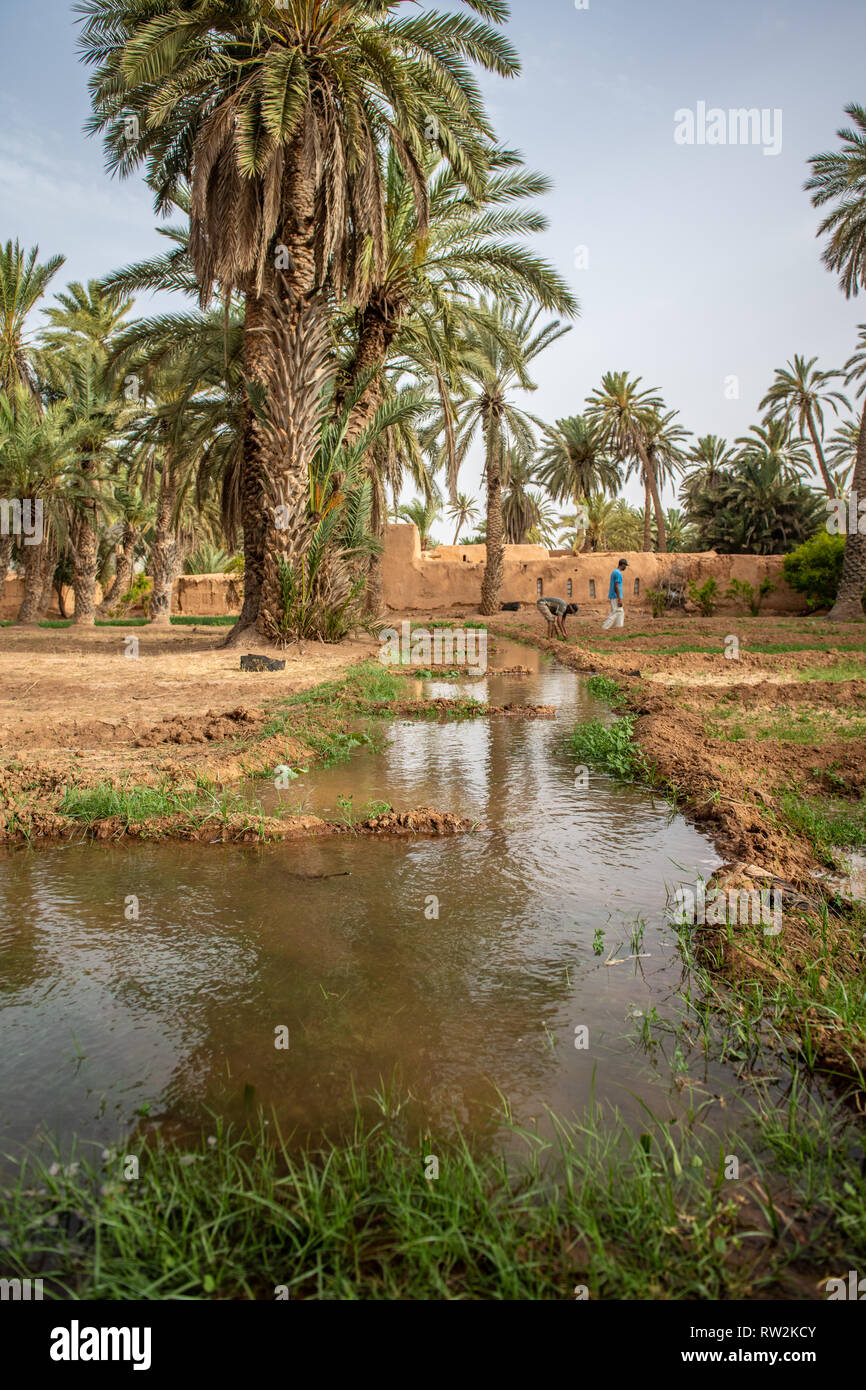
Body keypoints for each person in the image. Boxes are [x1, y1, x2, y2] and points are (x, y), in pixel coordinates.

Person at [602, 559, 629, 630]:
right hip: (615, 596)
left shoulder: (615, 572)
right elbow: (616, 586)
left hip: (614, 595)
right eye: (625, 565)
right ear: (622, 565)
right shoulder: (618, 573)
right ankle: (605, 627)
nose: (625, 567)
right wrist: (619, 599)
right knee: (617, 611)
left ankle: (618, 627)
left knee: (619, 612)